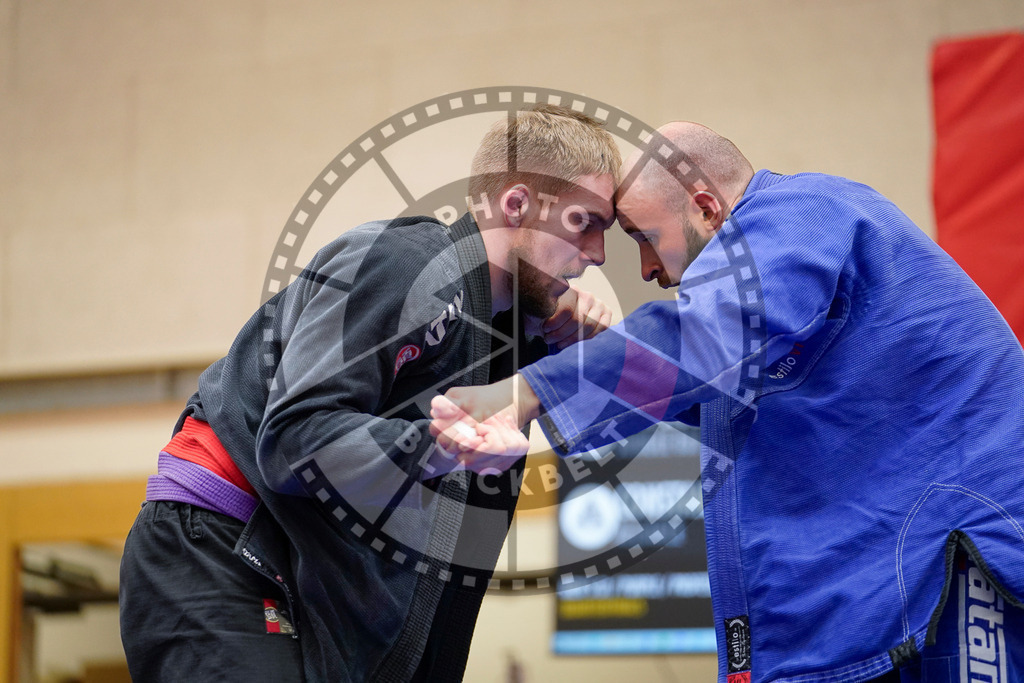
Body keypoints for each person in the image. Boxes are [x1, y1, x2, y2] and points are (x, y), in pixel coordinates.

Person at [431, 122, 1024, 682]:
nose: (645, 269)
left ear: (706, 207)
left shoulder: (812, 211)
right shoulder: (756, 324)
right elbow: (696, 383)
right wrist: (562, 347)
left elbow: (706, 332)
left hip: (954, 572)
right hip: (861, 610)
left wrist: (531, 392)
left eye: (645, 237)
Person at [119, 104, 621, 682]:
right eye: (586, 223)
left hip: (294, 563)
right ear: (517, 205)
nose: (599, 255)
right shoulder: (407, 263)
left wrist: (566, 349)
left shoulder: (504, 341)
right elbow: (290, 440)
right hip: (217, 542)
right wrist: (435, 446)